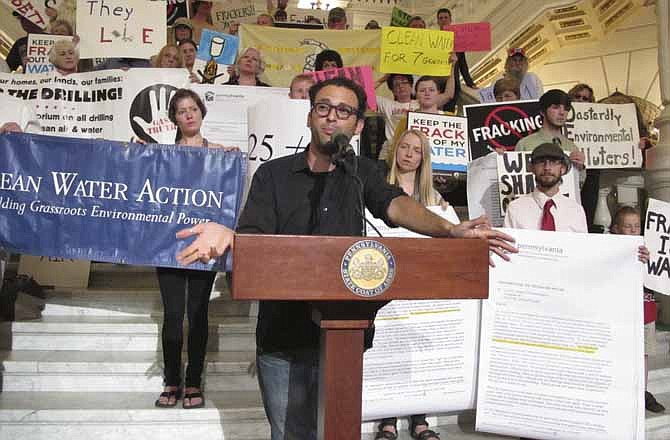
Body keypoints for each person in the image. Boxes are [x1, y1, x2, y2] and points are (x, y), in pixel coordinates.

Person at [172, 78, 516, 439]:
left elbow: (395, 205)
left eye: (344, 111)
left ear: (358, 125)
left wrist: (451, 230)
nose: (331, 118)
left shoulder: (361, 174)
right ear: (309, 117)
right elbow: (255, 239)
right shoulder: (273, 175)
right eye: (323, 108)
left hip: (345, 338)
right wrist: (232, 238)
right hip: (282, 337)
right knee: (291, 435)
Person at [152, 89, 236, 410]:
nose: (188, 115)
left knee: (198, 314)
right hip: (169, 245)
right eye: (181, 111)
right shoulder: (163, 156)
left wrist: (230, 160)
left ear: (201, 113)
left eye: (193, 109)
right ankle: (172, 379)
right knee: (173, 315)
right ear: (174, 118)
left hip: (205, 246)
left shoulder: (219, 153)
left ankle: (194, 379)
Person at [376, 130, 447, 440]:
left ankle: (421, 420)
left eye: (415, 150)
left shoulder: (435, 200)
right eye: (403, 147)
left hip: (421, 285)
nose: (408, 153)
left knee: (418, 355)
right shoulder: (377, 190)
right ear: (394, 151)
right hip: (385, 281)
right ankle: (387, 421)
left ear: (423, 158)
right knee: (388, 349)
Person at [610, 206, 665, 414]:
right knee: (621, 354)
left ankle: (642, 392)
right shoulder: (608, 248)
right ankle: (622, 394)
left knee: (643, 355)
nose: (633, 230)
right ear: (616, 229)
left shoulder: (649, 248)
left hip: (645, 312)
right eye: (628, 227)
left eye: (637, 226)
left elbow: (658, 272)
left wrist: (648, 260)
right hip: (620, 312)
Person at [504, 143, 587, 232]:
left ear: (562, 168)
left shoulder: (576, 211)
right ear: (531, 168)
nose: (547, 167)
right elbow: (507, 245)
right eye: (541, 162)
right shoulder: (515, 208)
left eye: (553, 162)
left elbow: (582, 245)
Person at [515, 89, 586, 171]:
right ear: (542, 111)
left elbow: (579, 182)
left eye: (566, 108)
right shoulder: (524, 144)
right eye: (556, 107)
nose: (562, 112)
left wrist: (580, 168)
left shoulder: (572, 147)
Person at [435, 8, 477, 112]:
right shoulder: (433, 40)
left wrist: (470, 83)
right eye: (441, 18)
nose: (443, 20)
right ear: (437, 21)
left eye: (446, 17)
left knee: (449, 112)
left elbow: (463, 65)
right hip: (436, 84)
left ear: (450, 19)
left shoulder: (458, 40)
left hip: (453, 83)